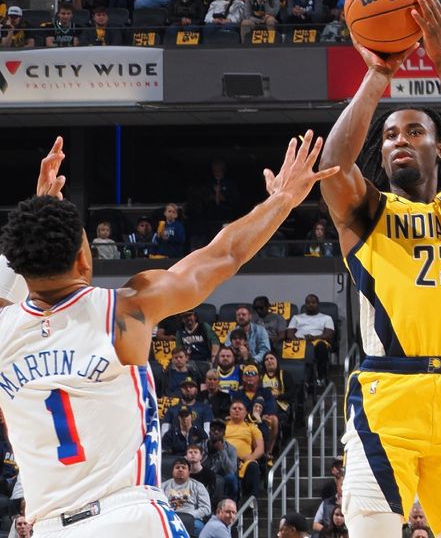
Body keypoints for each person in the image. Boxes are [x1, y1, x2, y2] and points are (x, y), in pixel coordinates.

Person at [0, 134, 335, 534]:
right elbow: (224, 254)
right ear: (81, 257)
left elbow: (13, 288)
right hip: (129, 516)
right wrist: (283, 199)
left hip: (49, 526)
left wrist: (41, 212)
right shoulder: (126, 310)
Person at [319, 0, 441, 537]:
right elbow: (333, 165)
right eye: (390, 134)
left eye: (415, 131)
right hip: (388, 397)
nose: (400, 139)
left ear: (439, 148)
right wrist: (378, 75)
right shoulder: (368, 214)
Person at [287, 294, 335, 386]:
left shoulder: (326, 318)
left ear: (318, 304)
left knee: (321, 347)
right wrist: (297, 340)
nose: (311, 305)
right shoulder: (297, 317)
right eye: (308, 303)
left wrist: (314, 338)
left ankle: (320, 377)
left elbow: (329, 334)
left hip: (317, 341)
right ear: (305, 305)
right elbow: (289, 333)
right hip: (299, 341)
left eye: (313, 302)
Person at [161, 457, 212, 536]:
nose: (180, 469)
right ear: (172, 471)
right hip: (169, 517)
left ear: (189, 472)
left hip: (192, 519)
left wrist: (190, 515)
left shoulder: (198, 486)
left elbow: (206, 508)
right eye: (177, 467)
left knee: (199, 528)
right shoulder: (163, 486)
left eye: (184, 468)